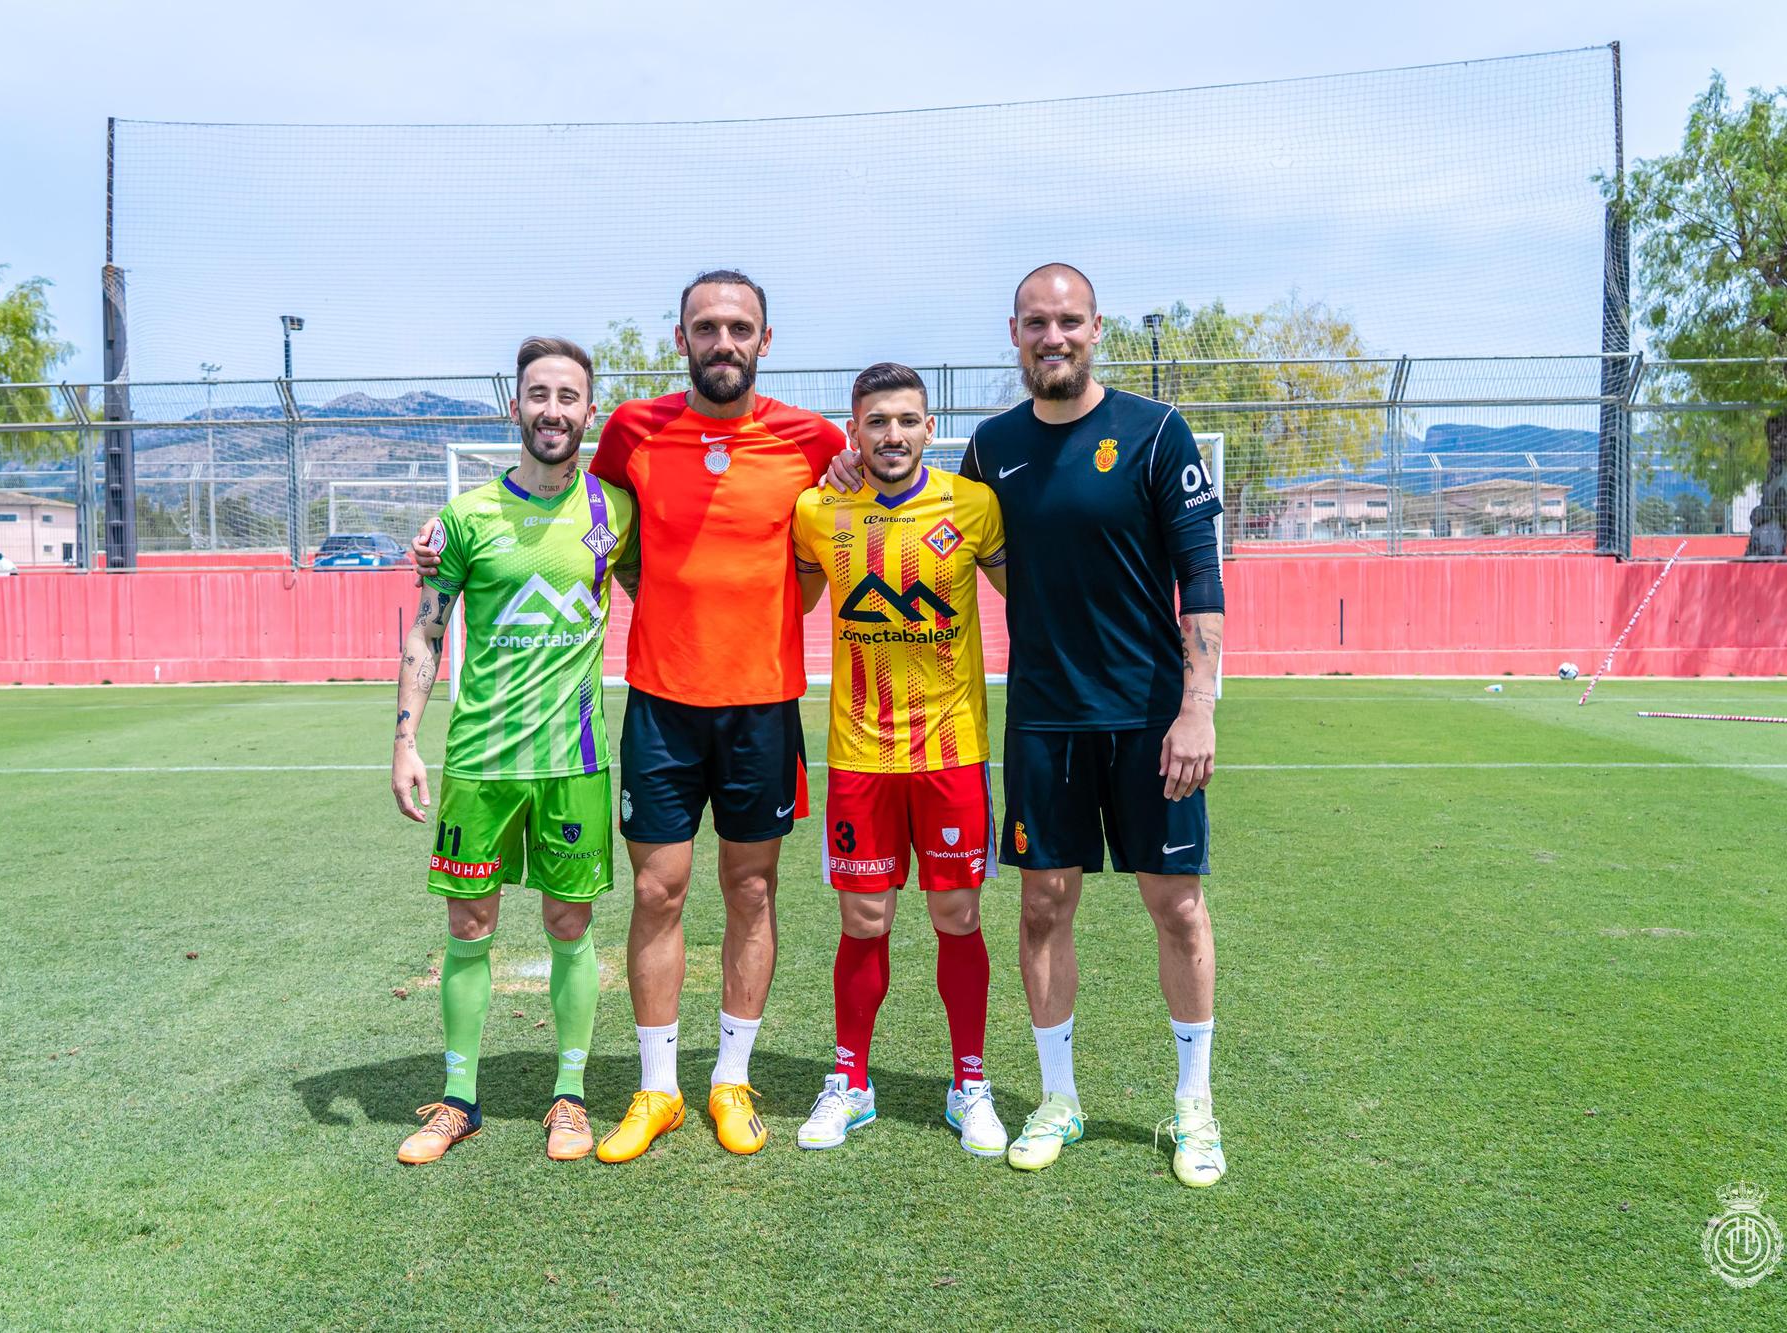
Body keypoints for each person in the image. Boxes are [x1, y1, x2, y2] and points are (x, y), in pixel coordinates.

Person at [412, 271, 845, 1161]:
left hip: (763, 705)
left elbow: (852, 517)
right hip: (660, 703)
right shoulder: (633, 434)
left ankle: (731, 1079)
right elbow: (585, 516)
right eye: (705, 327)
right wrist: (443, 531)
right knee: (658, 890)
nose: (722, 341)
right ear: (680, 337)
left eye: (739, 327)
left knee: (753, 889)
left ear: (766, 339)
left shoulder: (815, 440)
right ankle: (657, 1089)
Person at [825, 263, 1229, 1185]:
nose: (1055, 336)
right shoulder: (992, 451)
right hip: (1043, 719)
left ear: (1097, 328)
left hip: (1151, 717)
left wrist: (1197, 705)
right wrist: (845, 467)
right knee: (1043, 906)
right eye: (1037, 323)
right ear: (1014, 332)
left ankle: (1194, 1106)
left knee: (1177, 905)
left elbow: (1200, 577)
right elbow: (931, 524)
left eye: (1070, 321)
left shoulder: (1156, 432)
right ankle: (1058, 1098)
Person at [390, 337, 636, 1165]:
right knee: (470, 926)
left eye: (569, 396)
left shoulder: (616, 513)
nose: (554, 410)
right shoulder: (462, 519)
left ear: (588, 411)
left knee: (571, 924)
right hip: (480, 760)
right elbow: (428, 627)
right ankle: (458, 1099)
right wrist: (404, 742)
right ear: (515, 407)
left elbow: (674, 585)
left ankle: (569, 1095)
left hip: (575, 759)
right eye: (539, 394)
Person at [787, 362, 1009, 1158]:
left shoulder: (974, 505)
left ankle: (969, 1083)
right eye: (876, 421)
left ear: (928, 427)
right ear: (854, 429)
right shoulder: (818, 508)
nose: (892, 435)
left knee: (958, 915)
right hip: (859, 753)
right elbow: (792, 594)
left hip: (954, 753)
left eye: (907, 420)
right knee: (864, 918)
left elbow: (1038, 590)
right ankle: (851, 1080)